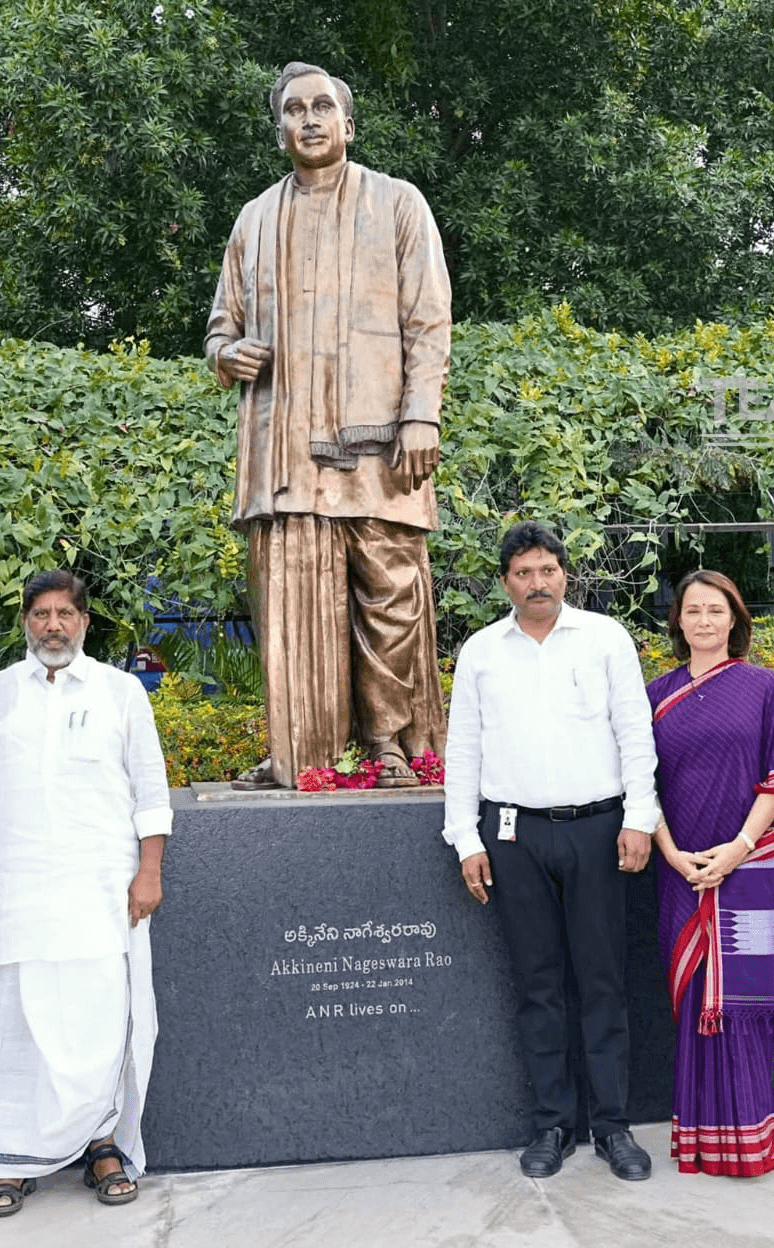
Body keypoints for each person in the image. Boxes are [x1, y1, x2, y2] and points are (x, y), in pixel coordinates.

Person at [206, 59, 452, 790]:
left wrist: (420, 415)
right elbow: (221, 328)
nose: (308, 119)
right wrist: (229, 354)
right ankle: (302, 754)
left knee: (392, 601)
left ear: (348, 123)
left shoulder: (399, 203)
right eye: (293, 110)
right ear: (280, 128)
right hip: (284, 450)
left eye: (321, 107)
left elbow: (428, 320)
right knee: (290, 607)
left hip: (381, 447)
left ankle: (391, 742)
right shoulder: (254, 218)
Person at [0, 570, 171, 1216]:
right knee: (15, 1023)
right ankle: (11, 1160)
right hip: (17, 895)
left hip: (103, 893)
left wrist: (149, 870)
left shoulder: (121, 692)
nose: (53, 625)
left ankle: (103, 1146)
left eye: (65, 614)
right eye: (41, 613)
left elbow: (150, 794)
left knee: (100, 1021)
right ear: (26, 622)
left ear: (84, 622)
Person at [442, 521, 659, 1181]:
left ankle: (613, 1126)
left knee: (602, 981)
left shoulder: (604, 639)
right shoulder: (481, 651)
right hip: (514, 835)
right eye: (523, 573)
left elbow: (634, 731)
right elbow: (464, 750)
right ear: (505, 582)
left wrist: (640, 817)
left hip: (598, 830)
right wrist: (465, 837)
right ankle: (552, 1125)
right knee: (538, 986)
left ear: (565, 573)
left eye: (547, 570)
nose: (537, 583)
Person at [648, 569, 774, 1177]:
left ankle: (748, 1140)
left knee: (740, 1003)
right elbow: (639, 785)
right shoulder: (655, 694)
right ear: (678, 621)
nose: (703, 621)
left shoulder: (765, 687)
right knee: (697, 996)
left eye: (715, 611)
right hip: (680, 867)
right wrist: (672, 852)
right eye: (692, 611)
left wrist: (739, 849)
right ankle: (698, 1142)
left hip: (748, 866)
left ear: (735, 620)